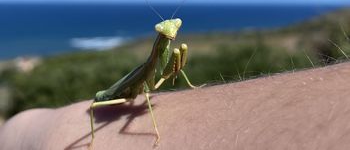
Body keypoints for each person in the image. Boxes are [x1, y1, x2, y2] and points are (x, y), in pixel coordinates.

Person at [1, 62, 350, 150]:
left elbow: (166, 73)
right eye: (166, 33)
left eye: (175, 30)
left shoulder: (171, 50)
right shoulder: (151, 60)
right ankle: (90, 141)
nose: (171, 35)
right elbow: (145, 92)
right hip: (112, 96)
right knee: (100, 108)